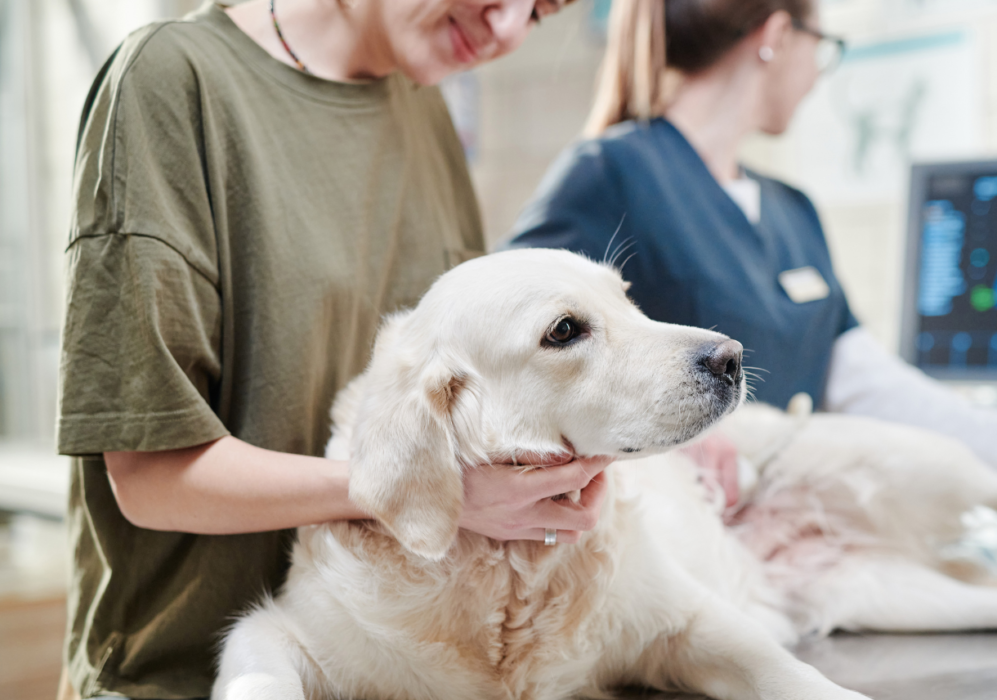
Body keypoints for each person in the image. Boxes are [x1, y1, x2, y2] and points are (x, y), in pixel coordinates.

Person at [56, 1, 613, 698]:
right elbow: (150, 475)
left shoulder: (424, 110)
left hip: (383, 672)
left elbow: (457, 415)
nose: (504, 31)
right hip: (181, 676)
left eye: (538, 14)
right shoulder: (173, 82)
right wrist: (411, 487)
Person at [504, 0, 997, 487]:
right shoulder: (608, 174)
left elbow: (863, 381)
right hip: (677, 526)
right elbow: (503, 355)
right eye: (820, 47)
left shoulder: (793, 208)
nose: (816, 74)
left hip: (784, 523)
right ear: (777, 36)